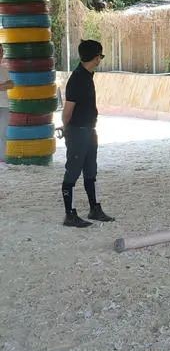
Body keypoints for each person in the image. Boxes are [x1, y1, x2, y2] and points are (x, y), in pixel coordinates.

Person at [61, 40, 114, 227]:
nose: (100, 59)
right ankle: (70, 214)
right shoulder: (77, 79)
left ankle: (95, 207)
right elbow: (67, 111)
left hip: (89, 130)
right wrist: (67, 129)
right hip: (78, 132)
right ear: (96, 57)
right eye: (100, 55)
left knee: (91, 171)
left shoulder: (86, 76)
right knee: (73, 172)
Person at [0, 44, 12, 166]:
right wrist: (3, 85)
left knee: (3, 133)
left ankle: (2, 159)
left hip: (4, 105)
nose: (1, 53)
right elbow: (7, 85)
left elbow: (11, 85)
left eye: (2, 51)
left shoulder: (4, 70)